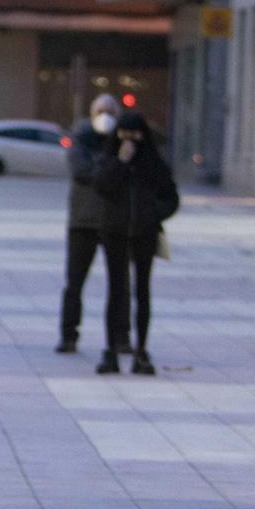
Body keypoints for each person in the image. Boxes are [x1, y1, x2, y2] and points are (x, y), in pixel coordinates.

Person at [90, 110, 178, 378]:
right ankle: (111, 349)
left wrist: (153, 214)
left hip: (144, 233)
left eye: (134, 135)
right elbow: (101, 186)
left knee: (142, 291)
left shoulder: (152, 162)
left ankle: (141, 350)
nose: (129, 140)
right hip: (114, 232)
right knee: (116, 291)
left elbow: (171, 197)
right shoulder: (109, 157)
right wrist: (120, 161)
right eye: (124, 134)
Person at [59, 94, 119, 355]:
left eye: (110, 111)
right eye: (100, 110)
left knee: (119, 284)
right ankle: (68, 335)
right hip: (82, 221)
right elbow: (81, 171)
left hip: (114, 221)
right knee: (75, 282)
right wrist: (113, 165)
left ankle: (120, 337)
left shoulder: (123, 140)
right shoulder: (81, 138)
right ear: (92, 113)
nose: (105, 115)